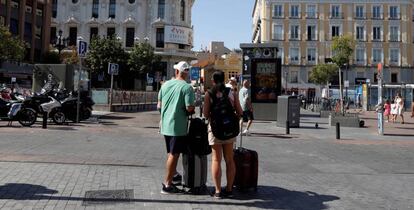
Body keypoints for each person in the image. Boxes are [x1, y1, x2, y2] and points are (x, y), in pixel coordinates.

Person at [203, 70, 243, 199]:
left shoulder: (209, 93)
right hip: (230, 129)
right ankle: (230, 189)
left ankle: (218, 191)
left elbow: (205, 113)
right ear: (224, 79)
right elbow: (240, 111)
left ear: (213, 80)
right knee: (229, 160)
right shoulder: (231, 92)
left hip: (215, 130)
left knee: (216, 159)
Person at [157, 61, 195, 194]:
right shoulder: (187, 88)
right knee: (174, 154)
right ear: (186, 73)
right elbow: (189, 107)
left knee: (170, 153)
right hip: (177, 126)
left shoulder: (165, 84)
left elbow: (159, 105)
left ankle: (173, 175)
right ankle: (167, 185)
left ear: (176, 71)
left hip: (165, 125)